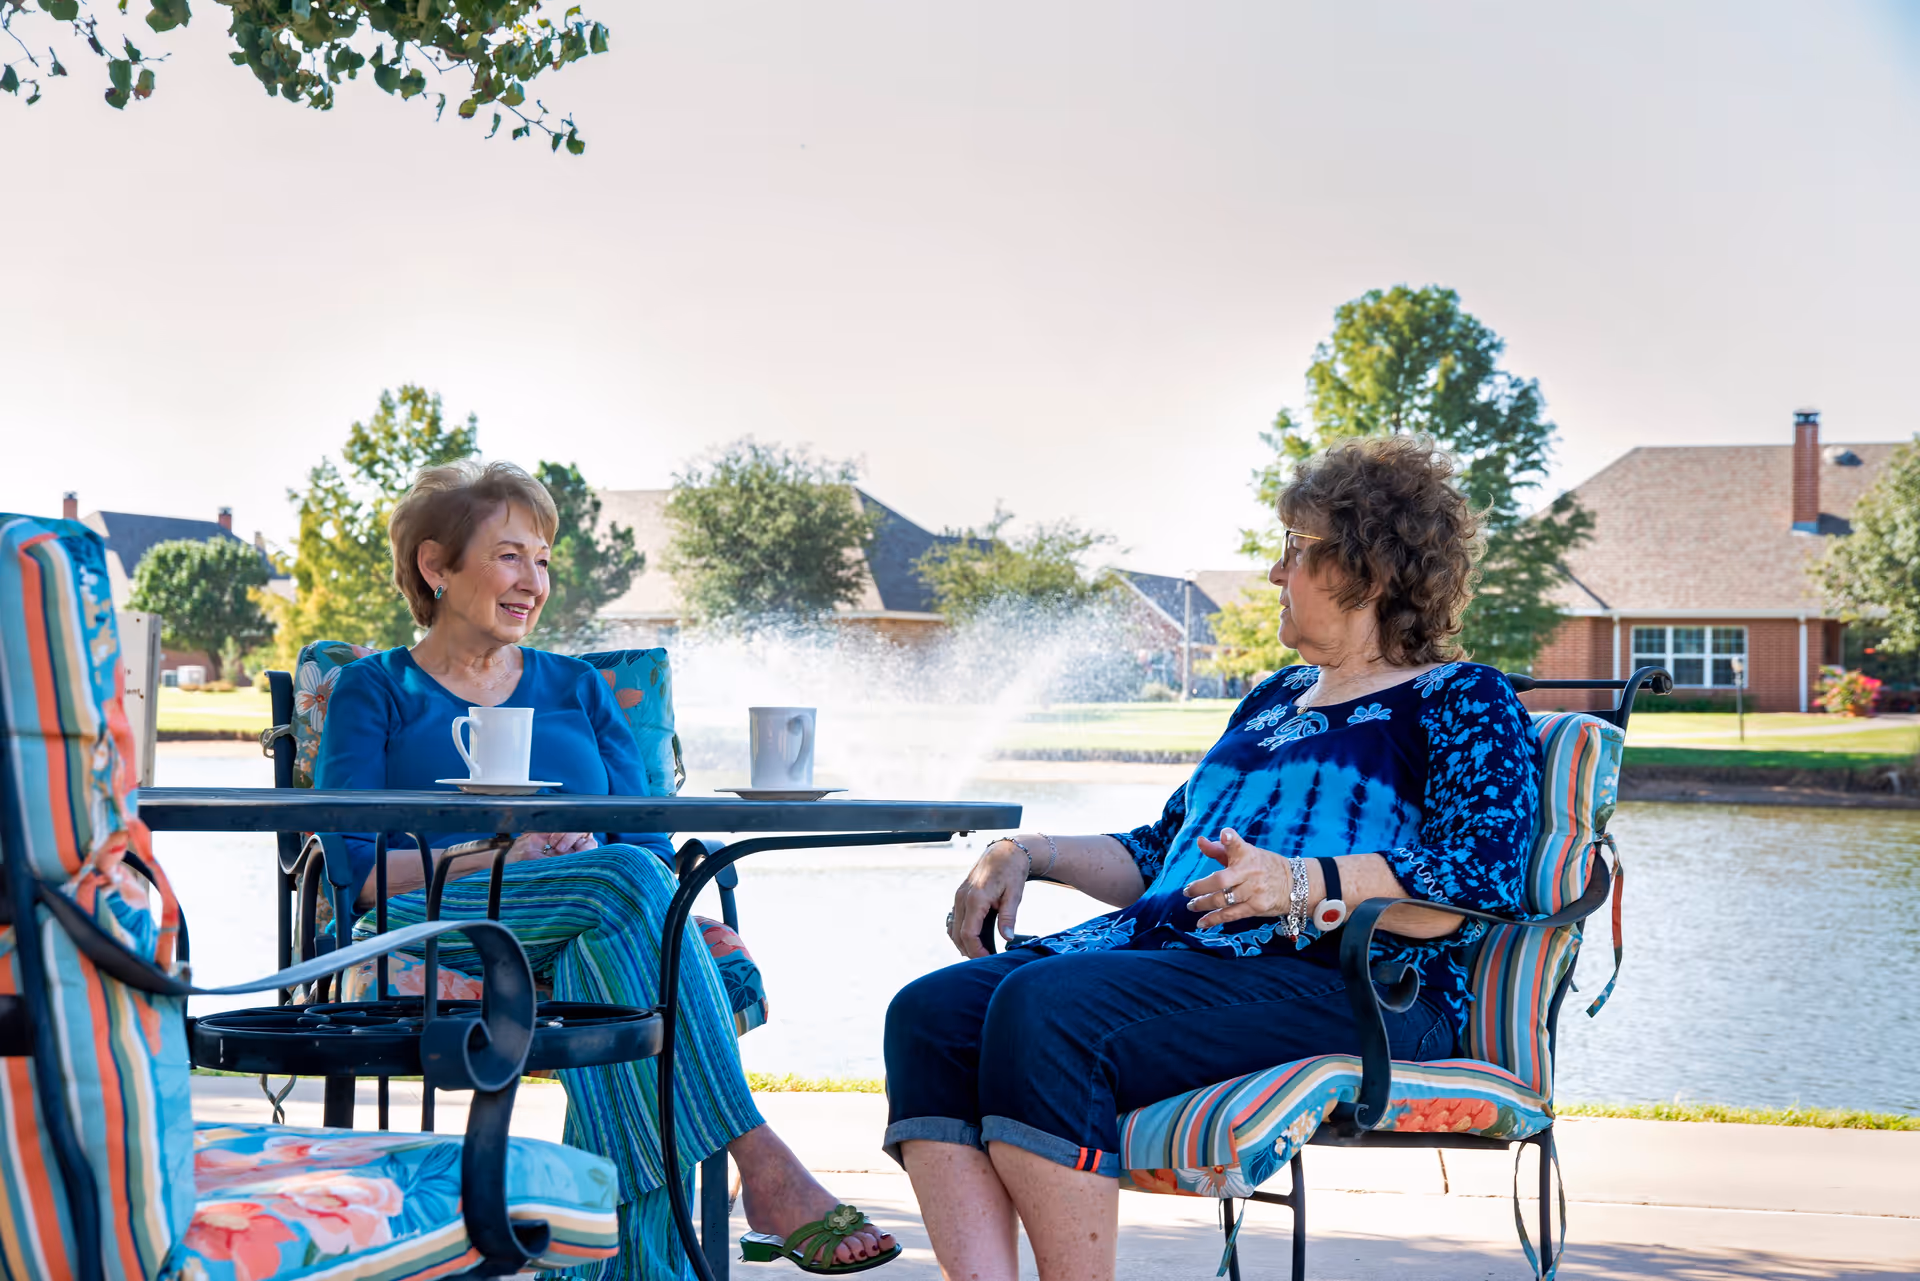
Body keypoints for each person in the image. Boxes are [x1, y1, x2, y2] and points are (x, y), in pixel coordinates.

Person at [883, 435, 1541, 1281]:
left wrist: (1298, 882)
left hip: (1355, 985)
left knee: (1045, 1010)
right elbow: (1164, 853)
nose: (1275, 572)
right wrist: (1024, 852)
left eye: (1296, 550)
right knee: (931, 1015)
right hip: (1184, 964)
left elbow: (1477, 873)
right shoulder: (1269, 699)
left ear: (1368, 571)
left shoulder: (1461, 698)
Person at [315, 459, 896, 1278]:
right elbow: (353, 870)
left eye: (544, 559)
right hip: (433, 919)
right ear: (436, 565)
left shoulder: (579, 688)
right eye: (511, 555)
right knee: (624, 900)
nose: (534, 581)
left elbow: (650, 850)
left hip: (587, 916)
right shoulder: (376, 690)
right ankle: (761, 1158)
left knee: (613, 934)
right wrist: (491, 853)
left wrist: (580, 859)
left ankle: (607, 1263)